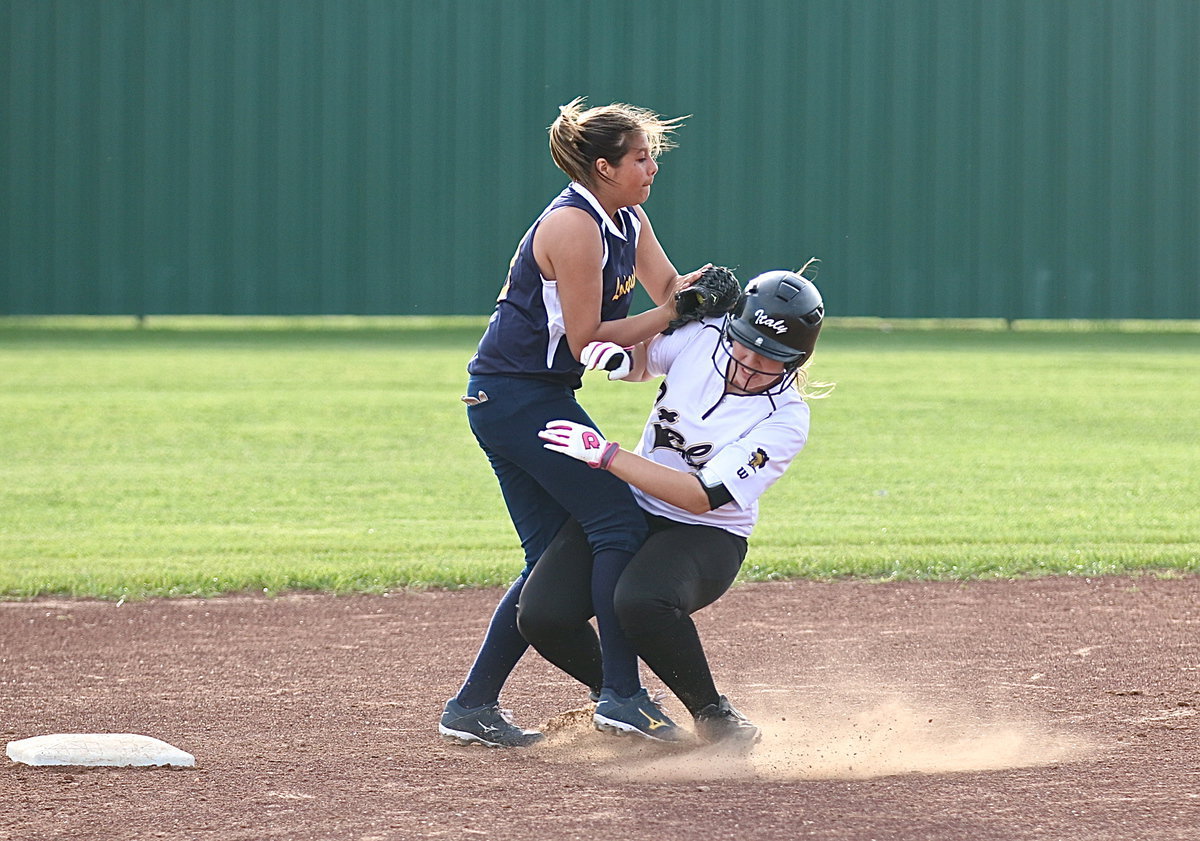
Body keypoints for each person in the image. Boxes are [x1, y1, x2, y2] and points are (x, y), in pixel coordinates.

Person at [439, 98, 717, 748]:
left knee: (550, 561)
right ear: (602, 165)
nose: (651, 167)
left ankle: (472, 704)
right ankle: (622, 693)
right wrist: (677, 313)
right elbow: (585, 339)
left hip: (524, 397)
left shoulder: (627, 218)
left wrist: (713, 293)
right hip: (518, 398)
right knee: (617, 520)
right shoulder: (574, 226)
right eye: (639, 157)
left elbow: (670, 287)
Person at [520, 265, 829, 747]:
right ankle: (629, 704)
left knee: (640, 600)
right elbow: (645, 360)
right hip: (636, 508)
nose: (748, 361)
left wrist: (608, 456)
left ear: (795, 360)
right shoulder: (705, 337)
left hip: (707, 536)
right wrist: (621, 363)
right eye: (743, 343)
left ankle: (716, 718)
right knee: (541, 614)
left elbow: (701, 496)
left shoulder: (786, 421)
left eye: (770, 358)